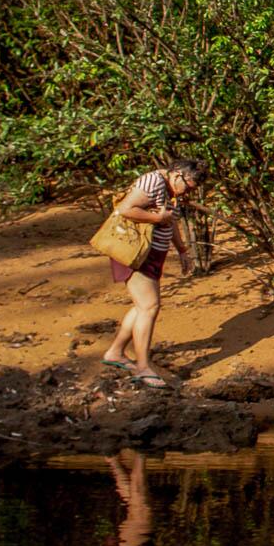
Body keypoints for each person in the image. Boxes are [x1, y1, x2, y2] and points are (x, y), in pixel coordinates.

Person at [100, 160, 202, 390]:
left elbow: (170, 220)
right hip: (135, 252)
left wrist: (182, 250)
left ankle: (115, 352)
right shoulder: (153, 181)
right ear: (177, 175)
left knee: (141, 306)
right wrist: (158, 218)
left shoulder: (170, 189)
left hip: (152, 253)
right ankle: (143, 367)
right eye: (189, 186)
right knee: (150, 306)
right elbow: (125, 209)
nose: (188, 192)